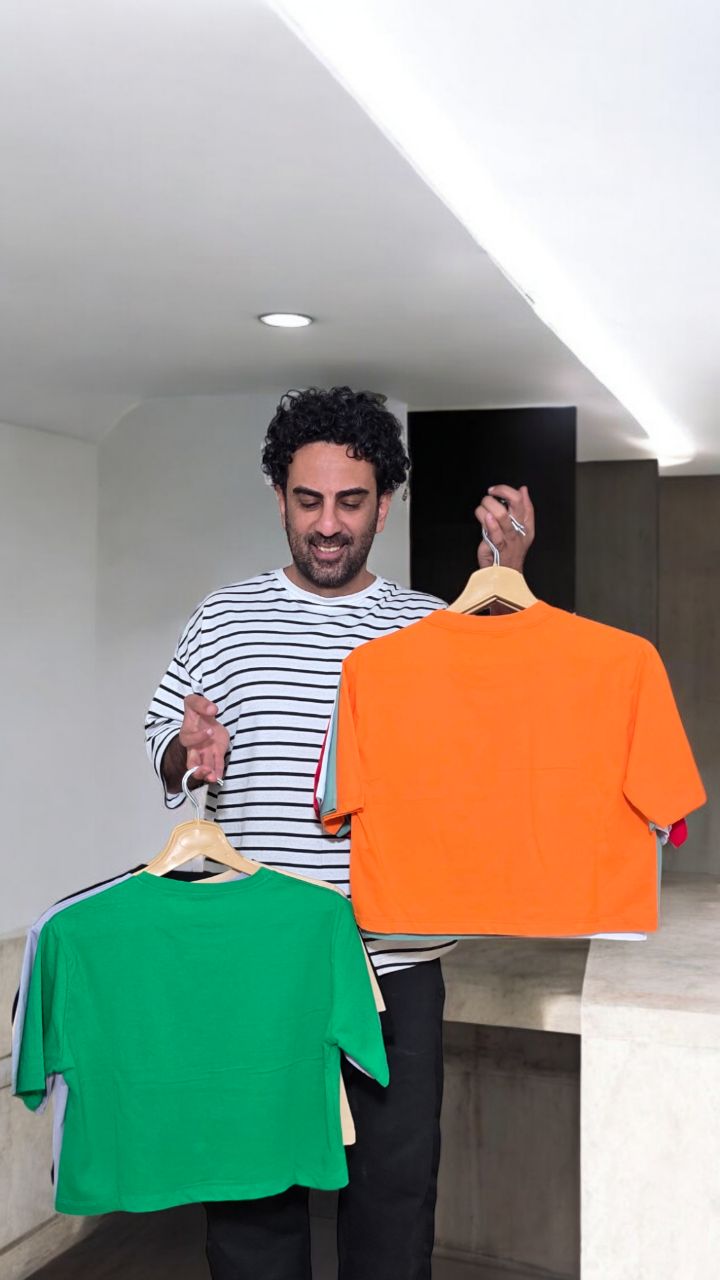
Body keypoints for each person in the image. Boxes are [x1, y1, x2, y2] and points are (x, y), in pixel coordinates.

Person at [145, 386, 535, 1280]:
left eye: (350, 502)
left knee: (393, 1212)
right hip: (252, 965)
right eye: (308, 500)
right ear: (280, 500)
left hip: (393, 968)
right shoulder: (224, 618)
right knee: (252, 1207)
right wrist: (185, 754)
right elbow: (164, 737)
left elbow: (500, 742)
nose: (327, 525)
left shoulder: (430, 624)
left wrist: (505, 589)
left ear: (384, 505)